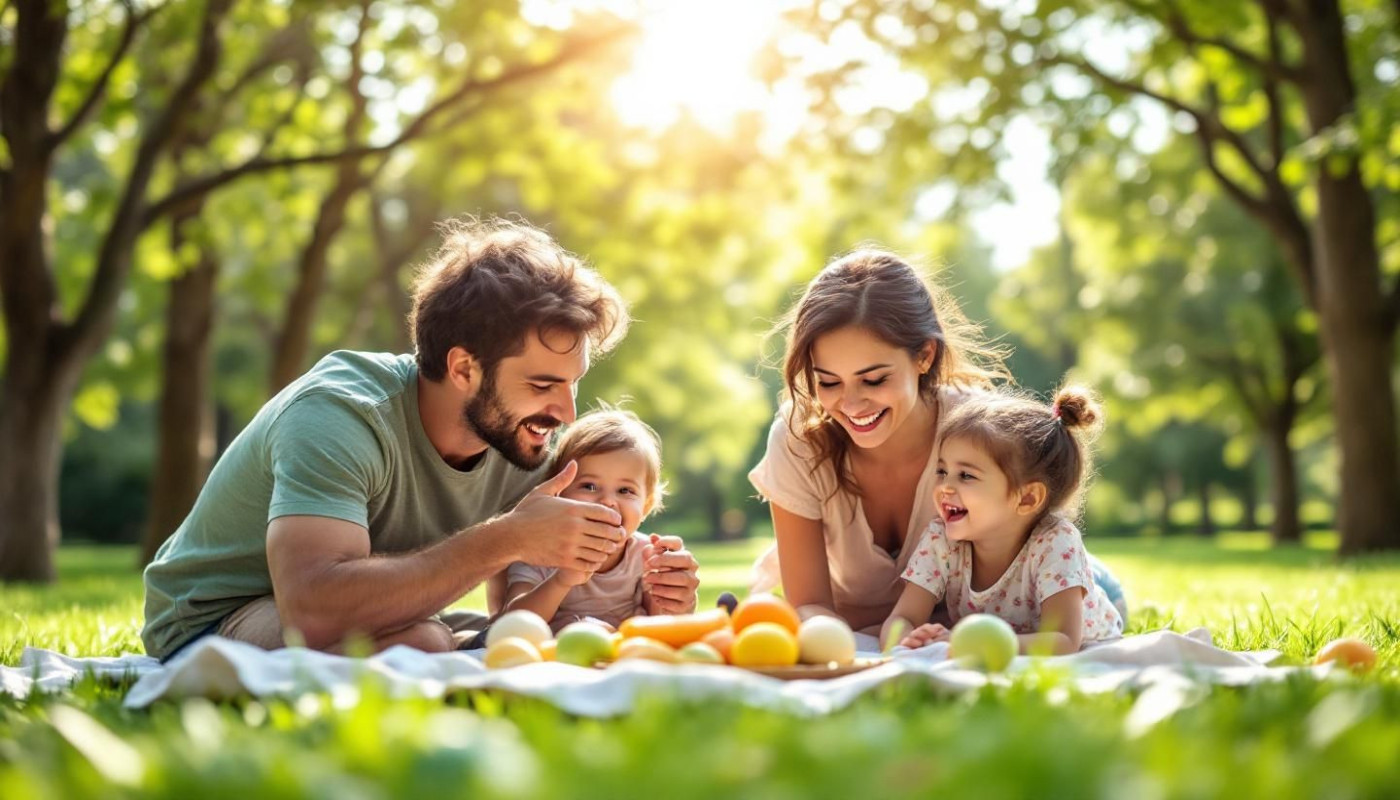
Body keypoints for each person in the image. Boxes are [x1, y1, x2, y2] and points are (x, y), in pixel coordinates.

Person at [141, 218, 699, 661]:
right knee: (425, 643)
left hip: (374, 614)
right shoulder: (340, 416)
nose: (566, 412)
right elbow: (312, 610)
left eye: (573, 384)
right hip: (214, 619)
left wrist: (657, 590)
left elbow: (549, 599)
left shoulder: (523, 440)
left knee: (516, 642)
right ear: (464, 369)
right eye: (542, 385)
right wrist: (506, 538)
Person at [748, 249, 1006, 635]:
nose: (851, 404)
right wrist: (839, 642)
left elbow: (1023, 584)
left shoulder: (984, 430)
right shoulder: (798, 438)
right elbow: (810, 604)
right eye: (828, 382)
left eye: (873, 380)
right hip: (858, 637)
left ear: (924, 355)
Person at [880, 386, 1125, 653]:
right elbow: (903, 618)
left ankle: (1098, 577)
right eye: (942, 471)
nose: (944, 487)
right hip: (1048, 585)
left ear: (1027, 498)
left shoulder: (1056, 541)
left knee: (1092, 579)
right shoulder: (941, 539)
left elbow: (1063, 641)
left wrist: (972, 645)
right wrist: (906, 642)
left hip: (1097, 610)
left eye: (966, 475)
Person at [502, 409, 692, 632]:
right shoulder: (538, 552)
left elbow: (661, 625)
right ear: (558, 494)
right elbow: (513, 623)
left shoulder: (644, 557)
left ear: (645, 507)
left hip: (621, 650)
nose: (607, 501)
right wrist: (562, 580)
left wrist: (669, 587)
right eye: (589, 486)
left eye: (625, 490)